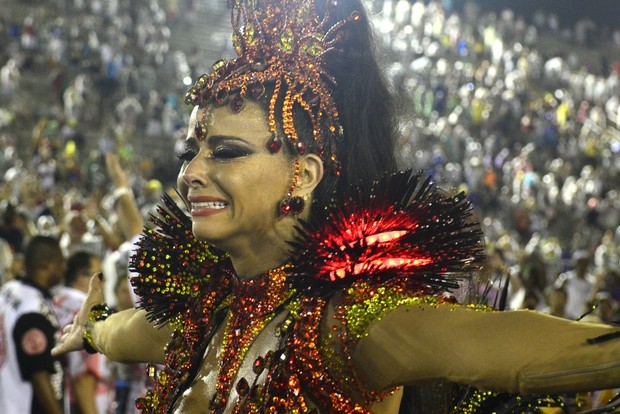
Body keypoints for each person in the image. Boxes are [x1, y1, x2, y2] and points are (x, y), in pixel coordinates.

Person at [53, 0, 620, 413]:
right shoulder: (205, 317)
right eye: (191, 151)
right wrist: (93, 326)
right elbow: (126, 333)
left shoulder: (339, 326)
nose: (191, 173)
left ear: (303, 174)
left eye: (225, 152)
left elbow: (488, 345)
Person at [0, 235, 65, 414]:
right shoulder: (33, 310)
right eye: (59, 262)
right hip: (24, 406)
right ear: (45, 264)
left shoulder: (9, 290)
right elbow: (38, 373)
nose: (63, 268)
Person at [54, 251, 113, 414]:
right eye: (101, 276)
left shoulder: (56, 304)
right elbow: (83, 377)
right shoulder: (87, 311)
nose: (105, 282)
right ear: (82, 278)